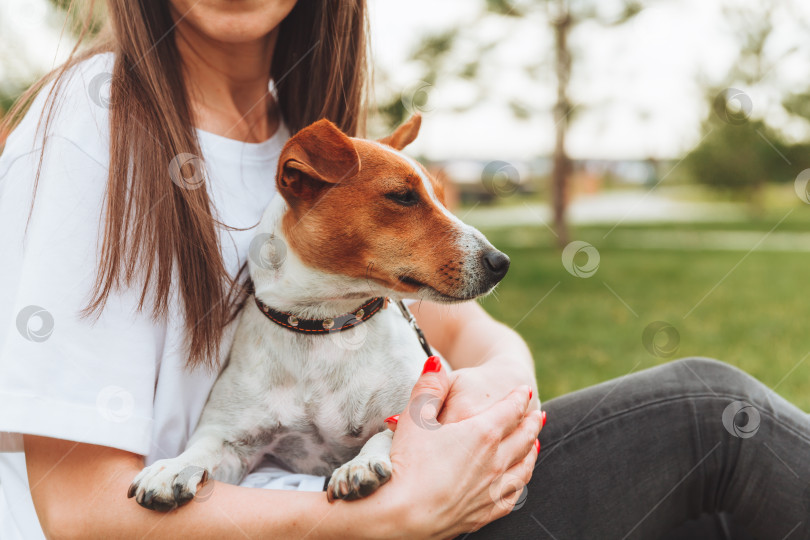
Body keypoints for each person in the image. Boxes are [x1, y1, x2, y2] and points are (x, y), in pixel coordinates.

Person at [0, 1, 806, 539]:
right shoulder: (96, 121)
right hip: (349, 523)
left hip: (411, 496)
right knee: (715, 419)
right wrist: (390, 514)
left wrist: (492, 400)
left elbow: (477, 332)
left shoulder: (306, 137)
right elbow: (77, 511)